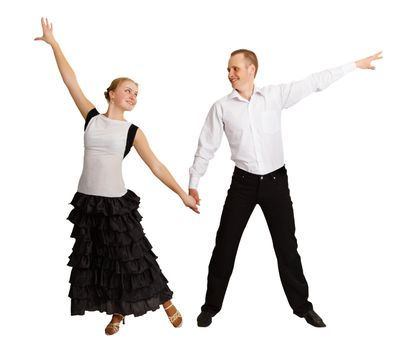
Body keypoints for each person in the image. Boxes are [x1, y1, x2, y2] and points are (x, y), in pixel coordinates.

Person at [189, 49, 382, 327]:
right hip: (242, 184)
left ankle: (302, 307)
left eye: (235, 69)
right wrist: (194, 183)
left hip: (276, 184)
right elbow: (206, 146)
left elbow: (315, 81)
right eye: (228, 70)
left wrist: (354, 65)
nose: (230, 74)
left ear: (251, 69)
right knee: (225, 245)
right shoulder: (221, 107)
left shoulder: (275, 96)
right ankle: (210, 307)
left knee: (287, 247)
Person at [35, 17, 199, 335]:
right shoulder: (92, 118)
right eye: (127, 90)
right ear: (111, 93)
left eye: (136, 94)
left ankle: (165, 300)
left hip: (115, 204)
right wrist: (55, 44)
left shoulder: (132, 131)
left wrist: (182, 194)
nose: (133, 96)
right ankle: (117, 312)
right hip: (88, 203)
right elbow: (71, 82)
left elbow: (157, 166)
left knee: (134, 257)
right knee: (102, 261)